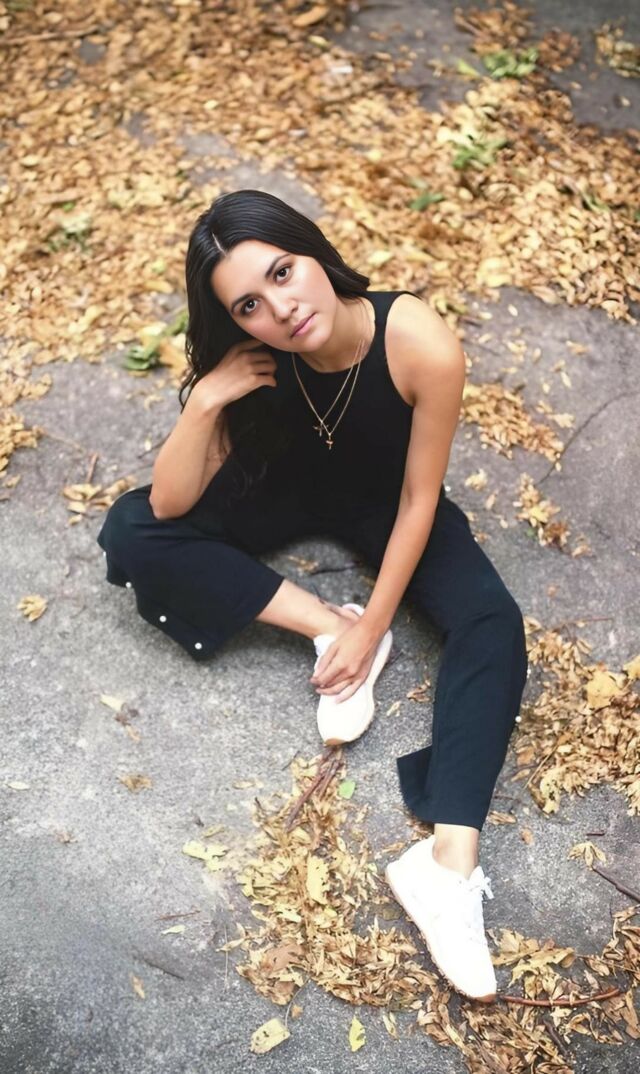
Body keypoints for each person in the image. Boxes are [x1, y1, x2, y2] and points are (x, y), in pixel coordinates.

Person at [97, 189, 528, 1002]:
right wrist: (207, 398)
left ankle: (447, 865)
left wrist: (380, 623)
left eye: (283, 272)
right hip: (287, 487)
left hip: (386, 502)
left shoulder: (418, 341)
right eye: (248, 305)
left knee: (493, 623)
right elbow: (168, 506)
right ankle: (323, 623)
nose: (281, 309)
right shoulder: (256, 357)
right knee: (130, 529)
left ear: (313, 251)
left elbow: (419, 501)